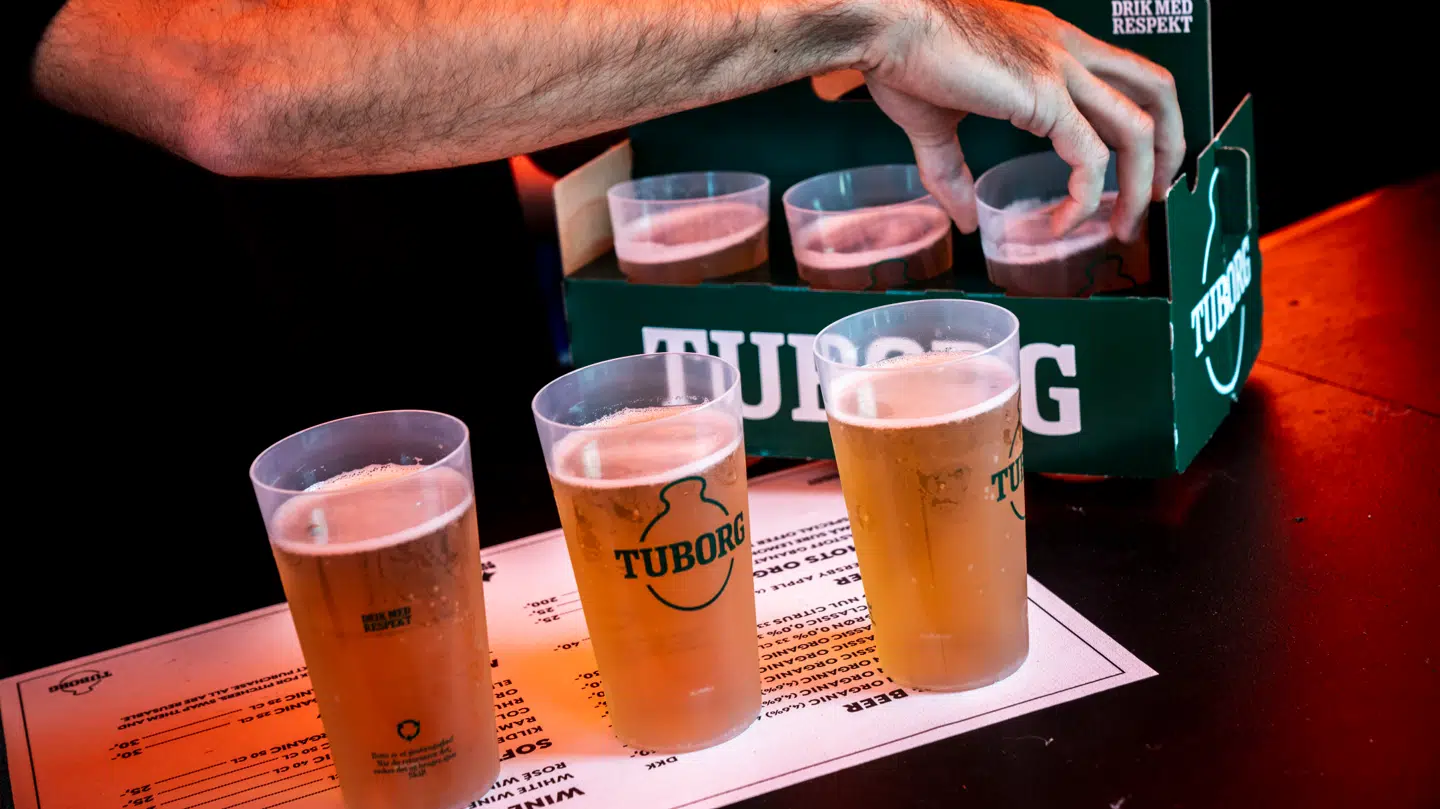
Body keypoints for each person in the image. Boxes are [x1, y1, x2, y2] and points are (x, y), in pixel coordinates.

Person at [12, 0, 1181, 676]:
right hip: (150, 628)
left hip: (516, 553)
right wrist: (869, 17)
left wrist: (857, 57)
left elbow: (512, 89)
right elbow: (231, 87)